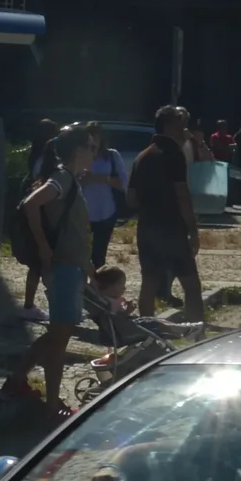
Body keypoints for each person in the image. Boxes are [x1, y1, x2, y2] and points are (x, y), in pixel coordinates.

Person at [10, 125, 99, 413]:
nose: (94, 152)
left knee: (57, 335)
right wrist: (44, 248)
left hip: (71, 267)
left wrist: (88, 265)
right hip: (62, 268)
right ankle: (51, 404)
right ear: (78, 150)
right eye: (91, 146)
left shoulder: (71, 179)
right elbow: (31, 204)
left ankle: (17, 380)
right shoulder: (63, 178)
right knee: (59, 340)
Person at [129, 105, 205, 323]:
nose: (186, 129)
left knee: (149, 282)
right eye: (183, 122)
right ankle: (197, 332)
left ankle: (147, 331)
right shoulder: (173, 154)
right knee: (191, 284)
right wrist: (192, 229)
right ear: (171, 124)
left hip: (147, 227)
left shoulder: (142, 156)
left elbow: (131, 198)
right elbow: (182, 194)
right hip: (172, 228)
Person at [18, 116, 60, 321]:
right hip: (46, 216)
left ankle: (29, 304)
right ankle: (53, 305)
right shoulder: (49, 160)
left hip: (38, 216)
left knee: (37, 265)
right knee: (46, 263)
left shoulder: (34, 156)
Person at [77, 126, 130, 271]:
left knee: (99, 255)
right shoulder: (79, 156)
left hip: (106, 211)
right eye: (90, 138)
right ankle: (81, 287)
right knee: (80, 253)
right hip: (83, 212)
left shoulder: (112, 156)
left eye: (96, 138)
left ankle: (98, 288)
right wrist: (81, 180)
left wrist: (98, 178)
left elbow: (123, 183)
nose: (93, 142)